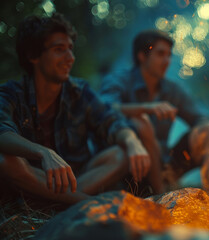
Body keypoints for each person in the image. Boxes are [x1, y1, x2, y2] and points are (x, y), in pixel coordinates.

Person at [0, 13, 151, 204]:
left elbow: (111, 121)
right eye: (59, 49)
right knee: (6, 161)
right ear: (33, 55)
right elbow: (2, 132)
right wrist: (43, 152)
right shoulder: (10, 93)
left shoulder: (79, 91)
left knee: (120, 154)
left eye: (70, 49)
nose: (70, 58)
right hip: (31, 178)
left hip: (75, 181)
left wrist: (132, 142)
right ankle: (87, 203)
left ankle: (57, 201)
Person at [100, 30, 209, 195]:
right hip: (131, 167)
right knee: (141, 122)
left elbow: (197, 118)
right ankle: (161, 198)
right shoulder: (120, 80)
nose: (167, 61)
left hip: (165, 167)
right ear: (142, 56)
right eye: (160, 54)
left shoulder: (171, 90)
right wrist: (146, 108)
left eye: (169, 55)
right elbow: (102, 108)